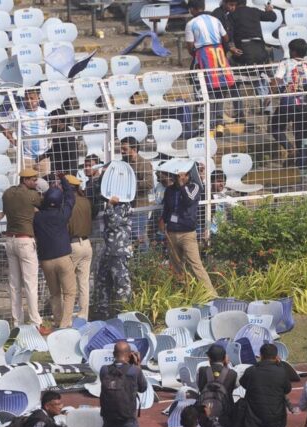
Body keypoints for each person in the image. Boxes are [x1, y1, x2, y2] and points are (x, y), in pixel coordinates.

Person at [0, 168, 44, 331]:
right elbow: (43, 204)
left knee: (14, 284)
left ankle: (17, 323)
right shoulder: (32, 195)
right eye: (33, 179)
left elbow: (8, 209)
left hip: (10, 240)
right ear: (25, 180)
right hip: (25, 240)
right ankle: (36, 322)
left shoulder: (8, 193)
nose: (35, 182)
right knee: (30, 283)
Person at [159, 167, 217, 296]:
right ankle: (184, 294)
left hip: (187, 234)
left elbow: (189, 200)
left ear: (188, 174)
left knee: (196, 265)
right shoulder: (169, 190)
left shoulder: (194, 187)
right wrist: (163, 219)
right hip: (172, 233)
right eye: (177, 174)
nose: (179, 176)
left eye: (182, 174)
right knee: (177, 268)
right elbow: (167, 209)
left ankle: (212, 295)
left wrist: (181, 185)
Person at [185, 0, 238, 137]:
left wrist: (198, 54)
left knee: (207, 91)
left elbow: (190, 47)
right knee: (221, 89)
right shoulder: (215, 19)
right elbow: (225, 37)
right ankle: (219, 124)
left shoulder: (191, 24)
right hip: (219, 54)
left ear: (192, 9)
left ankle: (209, 127)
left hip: (204, 56)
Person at [34, 175, 77, 329]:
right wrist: (64, 181)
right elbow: (71, 198)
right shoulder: (62, 215)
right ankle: (65, 324)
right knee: (70, 292)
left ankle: (58, 320)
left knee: (55, 293)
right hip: (63, 257)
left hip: (46, 260)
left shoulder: (37, 217)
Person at [239, 343, 291, 427]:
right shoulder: (281, 371)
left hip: (256, 422)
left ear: (261, 356)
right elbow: (287, 389)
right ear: (276, 357)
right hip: (277, 423)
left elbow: (243, 383)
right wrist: (279, 365)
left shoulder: (251, 371)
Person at [271, 38, 307, 164]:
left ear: (293, 52)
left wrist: (270, 95)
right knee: (299, 132)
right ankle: (301, 158)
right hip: (305, 103)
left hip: (288, 101)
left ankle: (290, 149)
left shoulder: (286, 63)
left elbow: (277, 80)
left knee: (276, 128)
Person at [99, 340, 148, 427]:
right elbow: (143, 388)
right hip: (128, 423)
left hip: (109, 422)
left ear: (113, 354)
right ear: (130, 354)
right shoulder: (134, 371)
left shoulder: (104, 370)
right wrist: (137, 364)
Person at [222, 0, 275, 98]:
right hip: (260, 53)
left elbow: (228, 35)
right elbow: (272, 17)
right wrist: (269, 10)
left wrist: (231, 47)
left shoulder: (231, 15)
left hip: (242, 54)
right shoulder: (254, 11)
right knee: (260, 76)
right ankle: (267, 105)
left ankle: (239, 109)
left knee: (233, 77)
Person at [94, 195, 132, 320]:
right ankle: (103, 312)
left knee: (121, 284)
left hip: (118, 252)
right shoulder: (114, 205)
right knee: (103, 282)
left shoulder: (123, 205)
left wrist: (110, 206)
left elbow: (113, 222)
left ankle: (124, 314)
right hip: (109, 250)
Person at [196, 344, 238, 427]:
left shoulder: (201, 371)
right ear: (224, 358)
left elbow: (200, 386)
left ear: (209, 358)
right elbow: (236, 386)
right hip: (226, 416)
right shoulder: (232, 374)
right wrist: (226, 365)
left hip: (207, 414)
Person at [5, 90, 50, 177]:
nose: (29, 101)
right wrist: (14, 141)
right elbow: (3, 127)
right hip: (26, 157)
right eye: (26, 98)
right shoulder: (18, 114)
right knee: (26, 185)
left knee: (45, 185)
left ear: (38, 99)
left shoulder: (45, 113)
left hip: (43, 157)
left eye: (32, 98)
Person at [66, 174, 92, 321]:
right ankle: (83, 316)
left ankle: (67, 318)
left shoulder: (67, 203)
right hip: (86, 244)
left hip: (72, 244)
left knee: (68, 284)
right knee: (84, 283)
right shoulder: (85, 201)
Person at [119, 138, 153, 250]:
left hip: (139, 207)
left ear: (134, 149)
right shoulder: (122, 164)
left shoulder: (144, 163)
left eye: (125, 149)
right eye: (121, 149)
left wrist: (131, 184)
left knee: (139, 237)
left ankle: (145, 263)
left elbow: (149, 184)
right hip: (124, 207)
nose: (122, 151)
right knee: (127, 238)